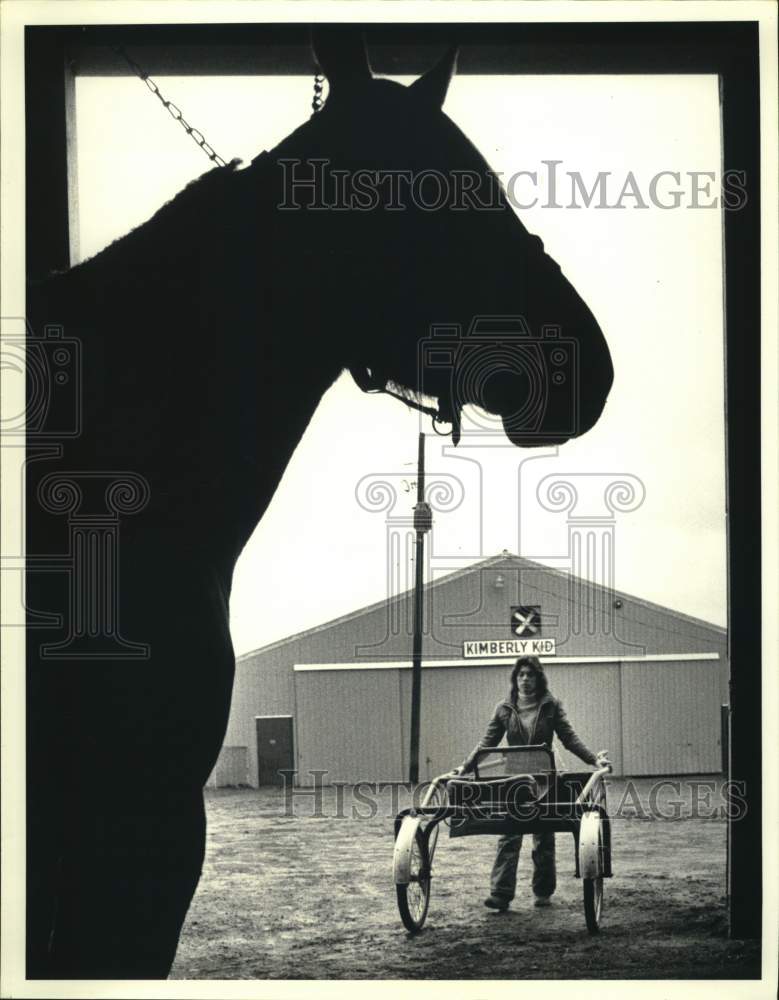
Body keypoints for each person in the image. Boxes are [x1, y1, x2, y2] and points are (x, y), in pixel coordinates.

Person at [456, 656, 610, 911]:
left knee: (544, 835)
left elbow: (569, 739)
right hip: (514, 780)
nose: (525, 679)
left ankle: (543, 892)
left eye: (530, 674)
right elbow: (486, 744)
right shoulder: (503, 709)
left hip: (544, 778)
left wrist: (594, 760)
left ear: (539, 679)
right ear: (515, 679)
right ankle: (501, 894)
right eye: (521, 675)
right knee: (508, 834)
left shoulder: (551, 706)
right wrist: (464, 768)